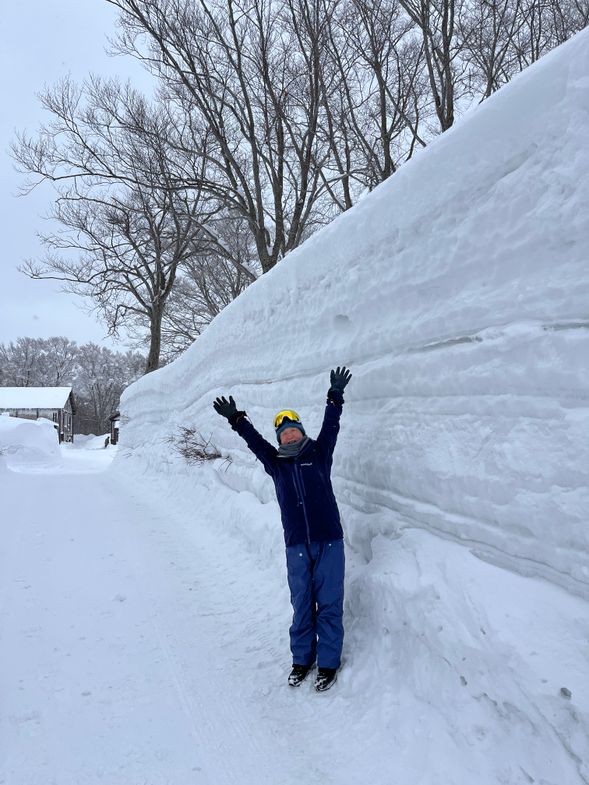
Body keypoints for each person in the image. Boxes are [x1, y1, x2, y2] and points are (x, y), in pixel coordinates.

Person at [213, 366, 352, 692]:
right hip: (297, 546)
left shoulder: (320, 453)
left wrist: (335, 397)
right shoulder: (276, 463)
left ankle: (328, 663)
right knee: (302, 604)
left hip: (329, 542)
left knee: (329, 603)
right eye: (284, 432)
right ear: (279, 438)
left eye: (293, 430)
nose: (289, 435)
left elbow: (331, 427)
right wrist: (237, 420)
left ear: (301, 431)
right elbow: (254, 442)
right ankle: (302, 660)